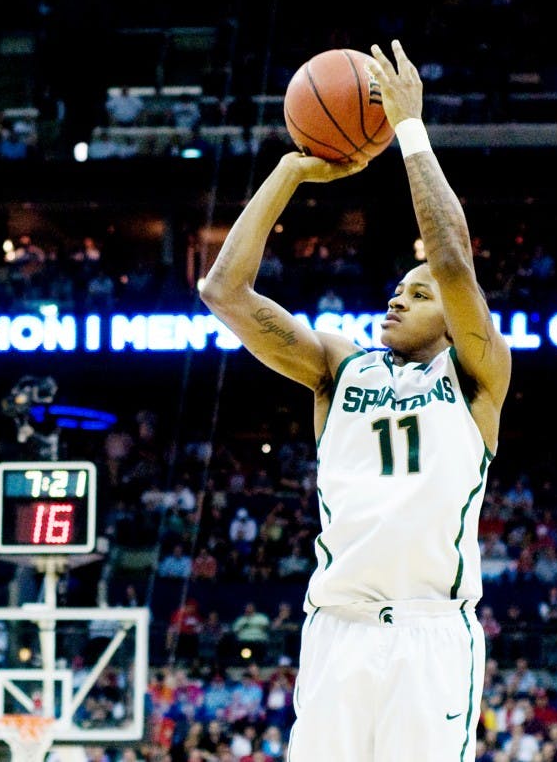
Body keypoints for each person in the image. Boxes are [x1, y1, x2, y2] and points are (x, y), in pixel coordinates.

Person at [200, 39, 512, 761]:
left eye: (420, 291)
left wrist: (410, 131)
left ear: (458, 312)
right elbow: (223, 292)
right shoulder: (339, 367)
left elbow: (452, 258)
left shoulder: (477, 376)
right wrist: (289, 172)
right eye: (398, 289)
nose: (399, 297)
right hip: (337, 628)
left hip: (430, 634)